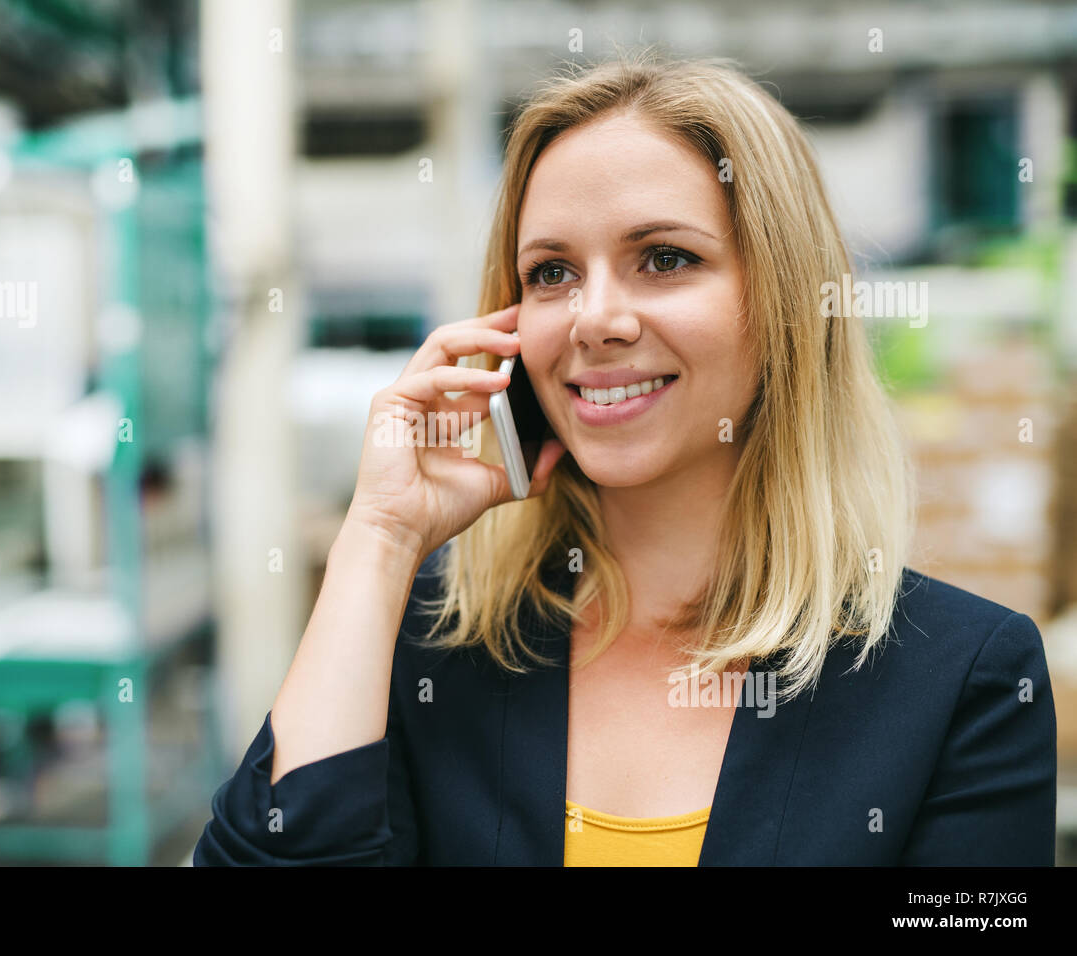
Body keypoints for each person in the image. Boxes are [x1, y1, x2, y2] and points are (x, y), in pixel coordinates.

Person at [193, 50, 1056, 866]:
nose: (594, 318)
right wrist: (377, 542)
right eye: (551, 274)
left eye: (665, 259)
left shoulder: (960, 680)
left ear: (786, 303)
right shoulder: (430, 640)